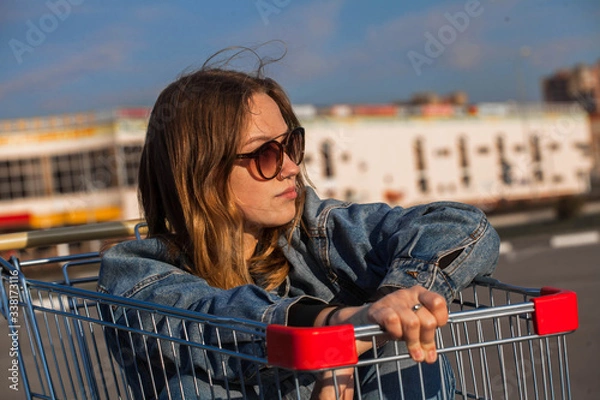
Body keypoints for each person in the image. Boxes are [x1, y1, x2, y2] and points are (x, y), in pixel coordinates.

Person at [98, 46, 500, 399]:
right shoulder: (135, 272)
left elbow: (460, 225)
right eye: (266, 154)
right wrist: (333, 327)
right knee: (189, 389)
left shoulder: (312, 231)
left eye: (292, 144)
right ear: (203, 173)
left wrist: (381, 315)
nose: (291, 167)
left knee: (399, 345)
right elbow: (205, 320)